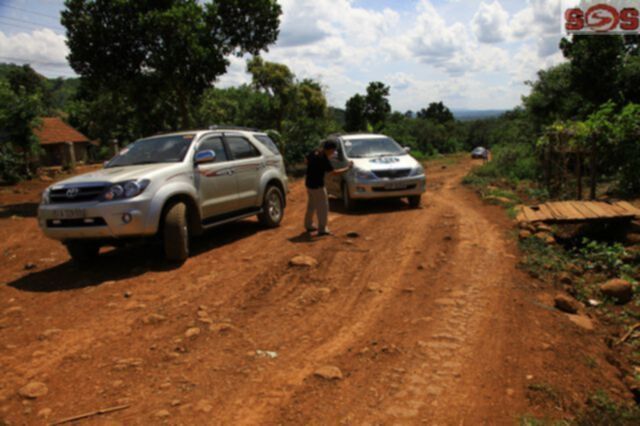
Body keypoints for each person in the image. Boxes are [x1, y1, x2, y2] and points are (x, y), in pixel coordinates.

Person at [304, 140, 353, 236]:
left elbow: (305, 160)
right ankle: (322, 229)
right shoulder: (323, 158)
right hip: (318, 185)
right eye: (333, 150)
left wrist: (312, 168)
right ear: (330, 149)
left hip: (309, 183)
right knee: (323, 207)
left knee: (312, 205)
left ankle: (308, 224)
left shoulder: (315, 151)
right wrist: (348, 168)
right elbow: (333, 172)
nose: (333, 152)